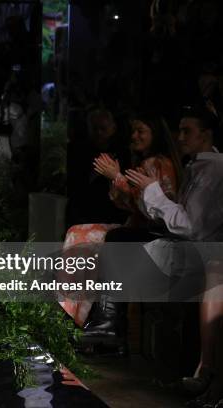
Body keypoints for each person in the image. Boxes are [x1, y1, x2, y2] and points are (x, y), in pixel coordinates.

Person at [126, 106, 223, 406]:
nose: (180, 137)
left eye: (187, 131)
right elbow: (174, 218)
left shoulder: (214, 169)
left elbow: (191, 226)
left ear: (206, 135)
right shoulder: (196, 166)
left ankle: (206, 370)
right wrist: (139, 190)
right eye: (179, 130)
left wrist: (151, 191)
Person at [61, 114, 182, 328]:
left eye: (141, 131)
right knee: (76, 232)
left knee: (81, 236)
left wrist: (117, 177)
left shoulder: (159, 163)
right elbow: (130, 204)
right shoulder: (146, 162)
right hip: (137, 225)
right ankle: (74, 312)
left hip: (153, 231)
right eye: (133, 131)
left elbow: (154, 208)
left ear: (155, 134)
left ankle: (84, 315)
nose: (134, 136)